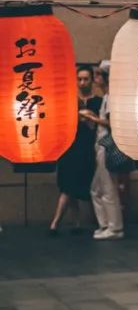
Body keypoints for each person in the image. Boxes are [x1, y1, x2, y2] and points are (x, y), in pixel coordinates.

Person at [51, 63, 99, 234]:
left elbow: (98, 128)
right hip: (68, 148)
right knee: (68, 186)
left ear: (92, 81)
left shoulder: (97, 102)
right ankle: (74, 223)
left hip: (86, 149)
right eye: (79, 79)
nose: (82, 82)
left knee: (72, 187)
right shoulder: (71, 102)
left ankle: (57, 223)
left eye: (86, 79)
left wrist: (89, 120)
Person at [87, 63, 124, 240]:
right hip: (101, 145)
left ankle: (115, 227)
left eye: (98, 75)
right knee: (96, 188)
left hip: (106, 145)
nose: (96, 79)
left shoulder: (111, 98)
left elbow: (112, 123)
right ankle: (105, 224)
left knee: (108, 187)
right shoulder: (107, 97)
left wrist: (92, 118)